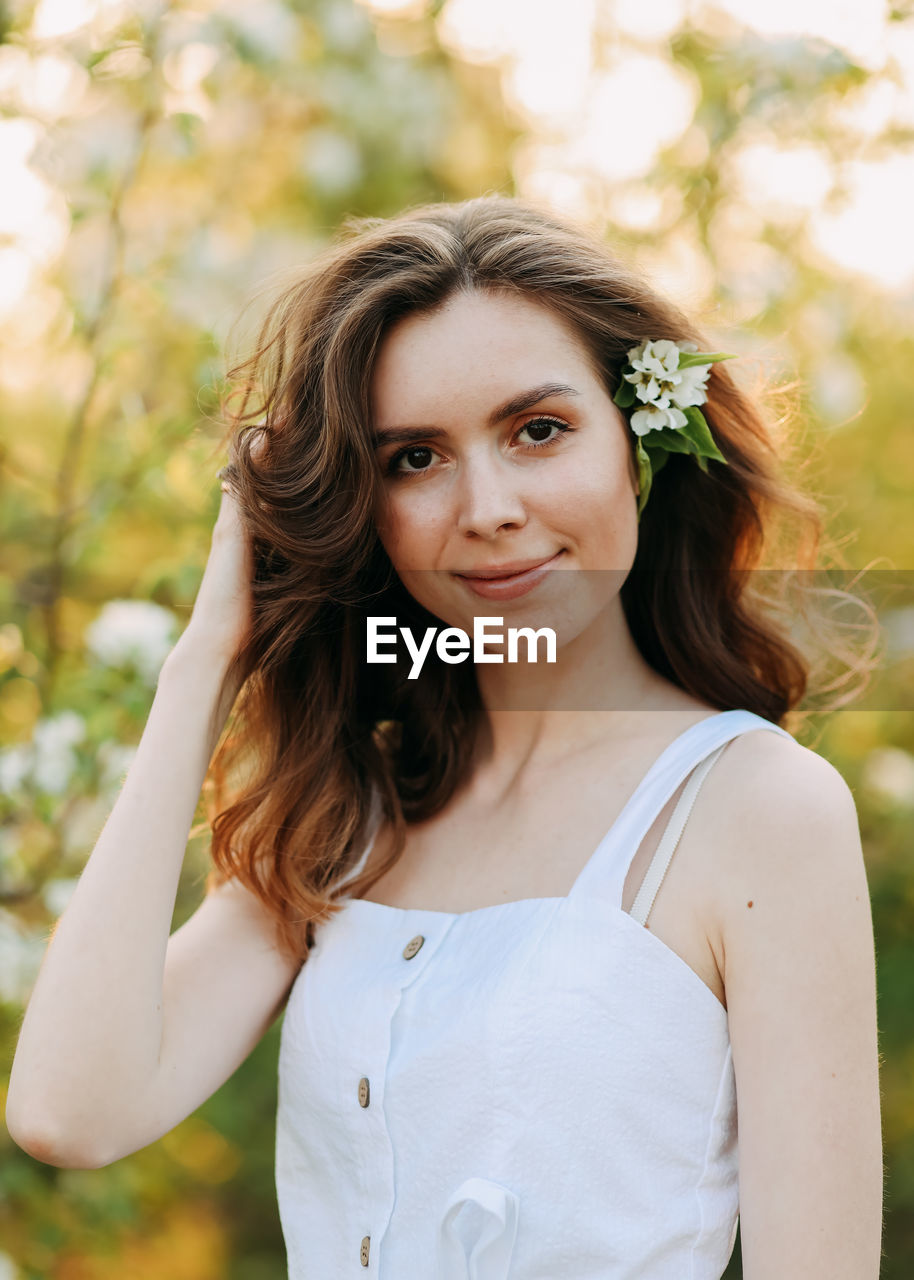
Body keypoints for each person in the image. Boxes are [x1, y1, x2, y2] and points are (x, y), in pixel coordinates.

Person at [6, 196, 883, 1278]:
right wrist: (206, 661)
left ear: (639, 448)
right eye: (414, 458)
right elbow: (68, 1109)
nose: (489, 506)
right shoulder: (357, 810)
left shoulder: (757, 809)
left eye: (537, 430)